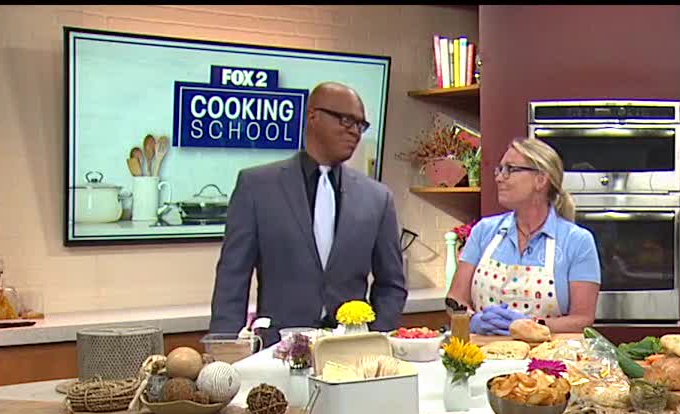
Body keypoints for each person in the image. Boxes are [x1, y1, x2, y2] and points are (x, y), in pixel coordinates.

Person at [209, 81, 407, 347]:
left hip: (351, 354)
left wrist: (375, 336)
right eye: (346, 120)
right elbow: (232, 277)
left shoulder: (377, 198)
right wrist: (224, 351)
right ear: (313, 115)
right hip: (276, 350)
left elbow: (392, 283)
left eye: (361, 125)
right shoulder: (257, 187)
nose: (355, 132)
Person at [447, 137, 601, 335]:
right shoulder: (484, 231)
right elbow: (454, 299)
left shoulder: (577, 241)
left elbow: (582, 320)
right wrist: (472, 320)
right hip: (481, 357)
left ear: (541, 180)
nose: (499, 177)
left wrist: (532, 324)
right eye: (499, 169)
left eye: (510, 169)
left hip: (546, 361)